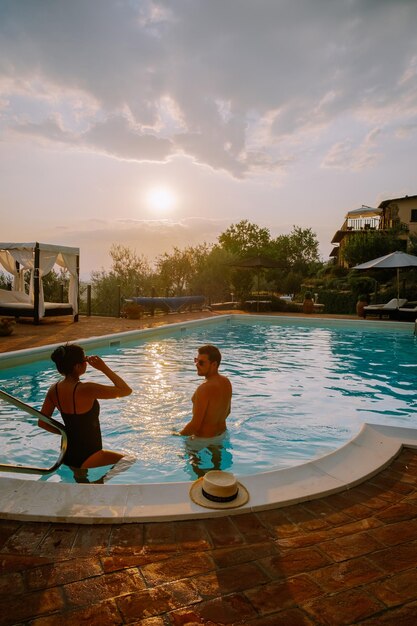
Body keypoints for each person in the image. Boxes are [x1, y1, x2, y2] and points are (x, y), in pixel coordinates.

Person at [39, 343, 132, 469]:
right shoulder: (87, 389)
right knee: (128, 461)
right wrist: (103, 368)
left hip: (66, 451)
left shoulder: (53, 389)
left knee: (81, 481)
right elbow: (126, 390)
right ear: (77, 366)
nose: (87, 363)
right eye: (84, 360)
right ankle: (100, 481)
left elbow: (42, 423)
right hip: (90, 454)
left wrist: (65, 432)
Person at [180, 344, 232, 438]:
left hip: (202, 440)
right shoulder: (226, 382)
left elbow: (195, 426)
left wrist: (176, 435)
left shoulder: (204, 389)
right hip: (222, 435)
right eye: (196, 360)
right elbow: (227, 412)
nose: (197, 365)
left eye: (201, 363)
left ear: (214, 364)